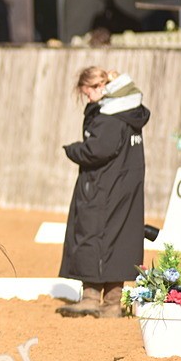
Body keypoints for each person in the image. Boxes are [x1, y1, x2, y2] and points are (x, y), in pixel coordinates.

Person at [56, 68, 150, 318]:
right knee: (120, 238)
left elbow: (97, 150)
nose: (88, 98)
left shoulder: (109, 116)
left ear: (99, 87)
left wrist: (73, 150)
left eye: (88, 92)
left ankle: (90, 298)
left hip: (104, 185)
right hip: (126, 185)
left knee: (92, 233)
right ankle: (111, 302)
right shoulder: (130, 111)